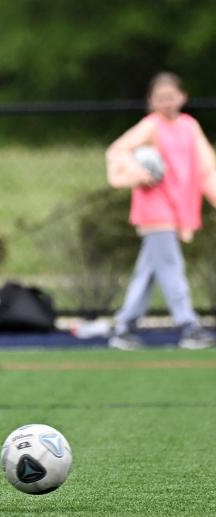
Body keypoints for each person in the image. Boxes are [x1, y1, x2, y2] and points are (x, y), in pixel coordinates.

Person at [105, 72, 216, 350]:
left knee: (148, 270)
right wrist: (138, 172)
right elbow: (117, 152)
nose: (167, 103)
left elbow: (207, 168)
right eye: (160, 98)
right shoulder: (150, 126)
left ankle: (124, 326)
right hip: (154, 211)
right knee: (170, 267)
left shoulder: (189, 126)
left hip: (178, 209)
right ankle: (189, 325)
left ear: (183, 96)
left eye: (171, 96)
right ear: (151, 101)